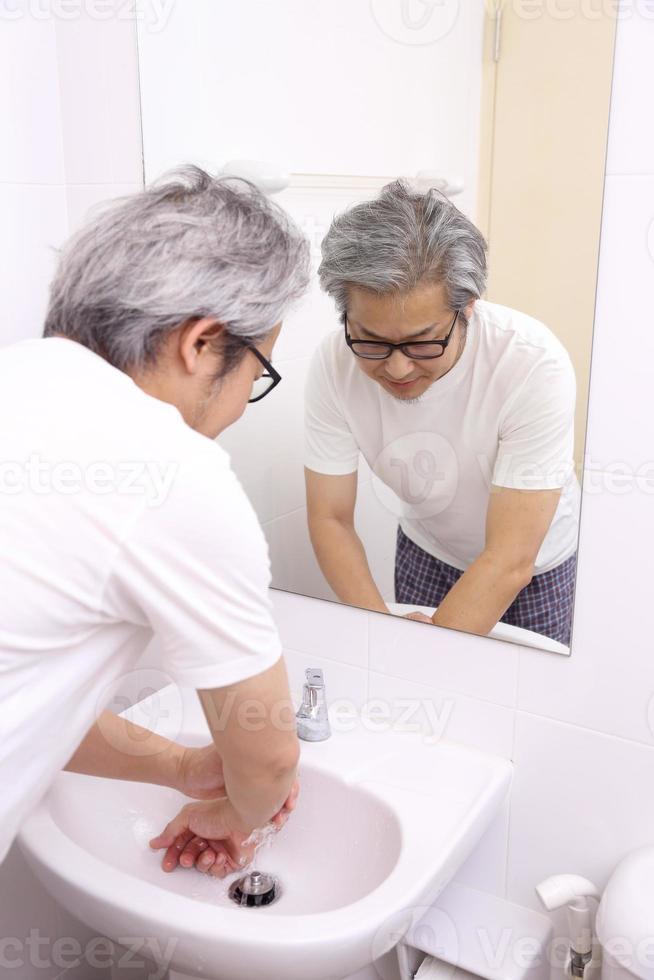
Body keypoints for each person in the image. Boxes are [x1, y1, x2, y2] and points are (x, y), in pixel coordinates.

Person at [0, 166, 310, 875]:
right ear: (201, 344)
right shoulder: (166, 469)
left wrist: (186, 768)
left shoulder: (15, 381)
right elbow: (267, 756)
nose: (237, 408)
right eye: (257, 371)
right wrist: (235, 808)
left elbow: (26, 690)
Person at [304, 180, 580, 646]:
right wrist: (377, 633)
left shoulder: (531, 364)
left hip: (532, 565)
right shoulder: (334, 363)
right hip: (426, 547)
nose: (396, 366)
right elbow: (329, 517)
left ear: (468, 309)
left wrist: (423, 652)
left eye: (421, 341)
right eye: (370, 340)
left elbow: (510, 556)